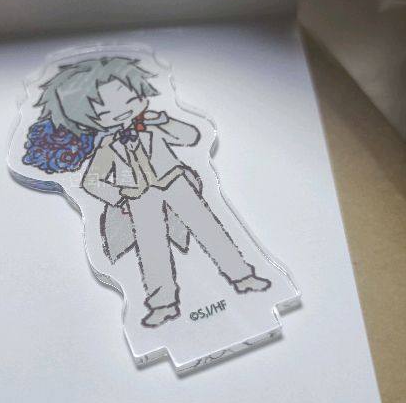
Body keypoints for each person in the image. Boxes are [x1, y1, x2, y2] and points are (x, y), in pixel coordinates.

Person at [24, 56, 271, 329]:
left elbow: (191, 137)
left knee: (210, 230)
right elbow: (91, 181)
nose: (122, 112)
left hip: (176, 184)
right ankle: (163, 303)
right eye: (105, 112)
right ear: (86, 120)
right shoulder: (107, 146)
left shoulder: (155, 124)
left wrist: (163, 122)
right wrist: (119, 194)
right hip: (139, 198)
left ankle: (243, 276)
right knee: (152, 249)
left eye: (130, 100)